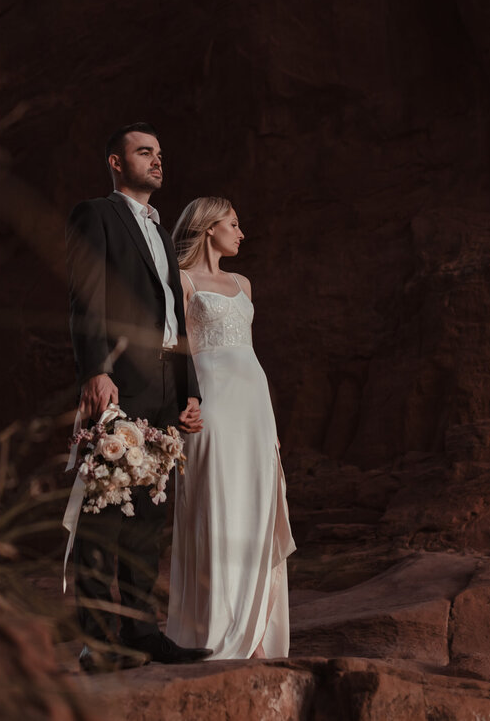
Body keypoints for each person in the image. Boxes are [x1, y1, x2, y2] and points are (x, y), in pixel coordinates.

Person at [65, 123, 212, 672]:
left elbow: (174, 320)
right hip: (117, 382)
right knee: (104, 512)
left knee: (149, 517)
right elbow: (86, 299)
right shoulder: (95, 214)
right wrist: (95, 371)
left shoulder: (161, 234)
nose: (156, 160)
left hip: (162, 389)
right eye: (143, 152)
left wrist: (188, 394)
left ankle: (143, 634)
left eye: (159, 152)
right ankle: (98, 642)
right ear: (115, 163)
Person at [165, 197, 296, 659]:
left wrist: (272, 423)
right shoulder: (179, 280)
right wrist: (183, 404)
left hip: (254, 406)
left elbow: (251, 356)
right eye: (233, 224)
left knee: (258, 506)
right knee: (214, 505)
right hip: (211, 403)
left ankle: (257, 631)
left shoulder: (243, 283)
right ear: (207, 228)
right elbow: (175, 350)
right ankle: (215, 629)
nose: (241, 233)